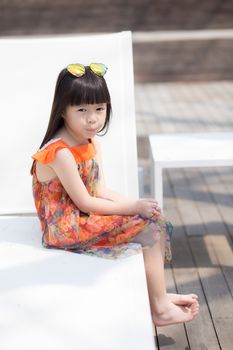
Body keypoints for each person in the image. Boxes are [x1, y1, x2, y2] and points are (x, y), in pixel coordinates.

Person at [30, 63, 199, 327]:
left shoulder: (90, 142)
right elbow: (84, 201)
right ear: (63, 110)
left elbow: (101, 190)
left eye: (99, 109)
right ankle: (159, 308)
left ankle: (158, 295)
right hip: (64, 226)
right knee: (150, 229)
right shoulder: (60, 152)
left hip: (84, 214)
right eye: (82, 110)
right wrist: (134, 207)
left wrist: (139, 206)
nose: (93, 118)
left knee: (155, 220)